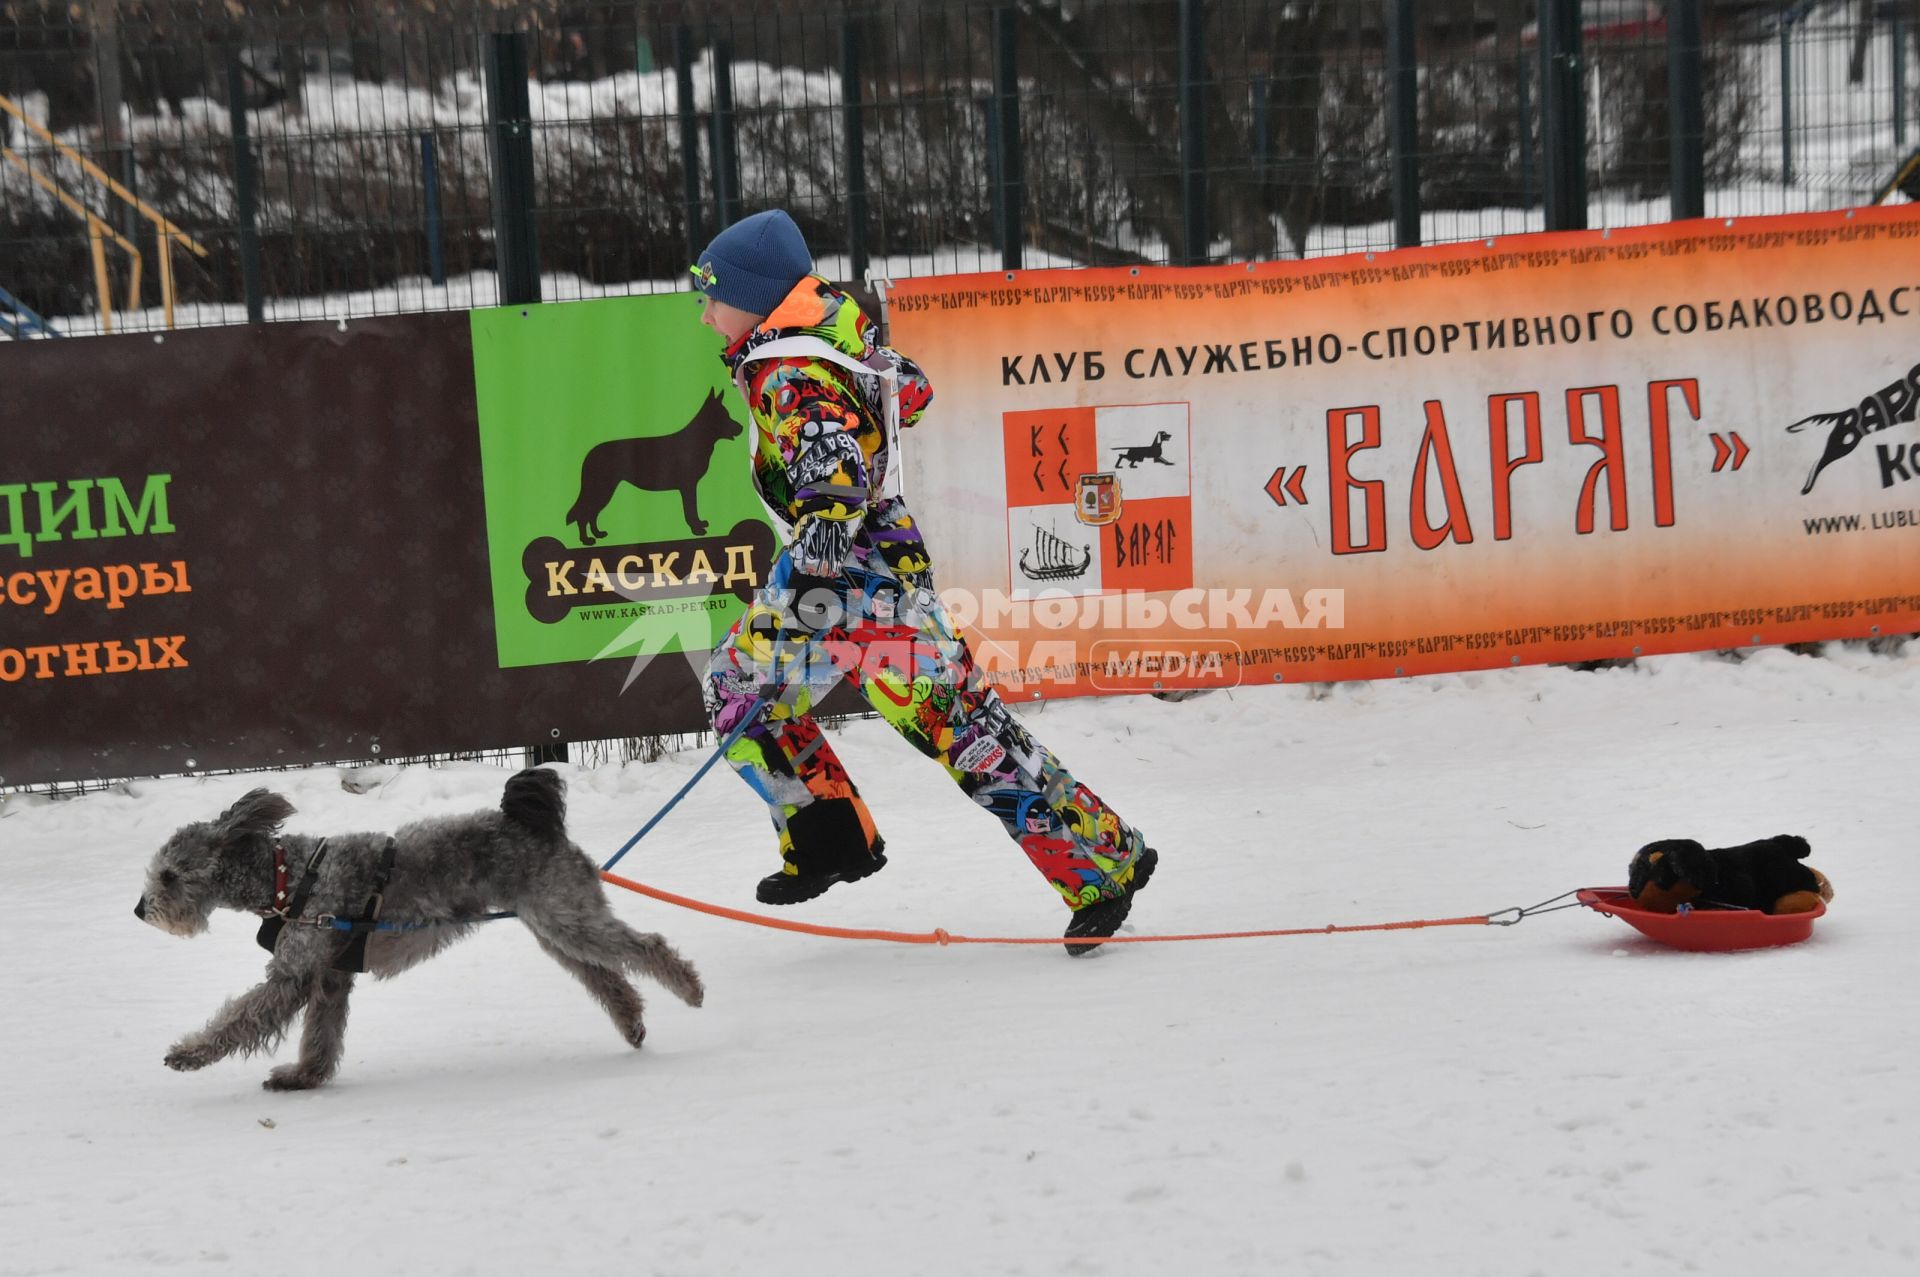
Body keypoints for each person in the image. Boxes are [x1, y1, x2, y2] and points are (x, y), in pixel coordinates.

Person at [693, 209, 1157, 956]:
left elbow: (832, 456)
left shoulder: (791, 370)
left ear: (756, 293)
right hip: (828, 574)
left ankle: (1104, 865)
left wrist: (824, 516)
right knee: (740, 687)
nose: (707, 313)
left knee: (960, 729)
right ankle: (827, 834)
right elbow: (904, 390)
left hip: (860, 578)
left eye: (715, 296)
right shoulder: (817, 337)